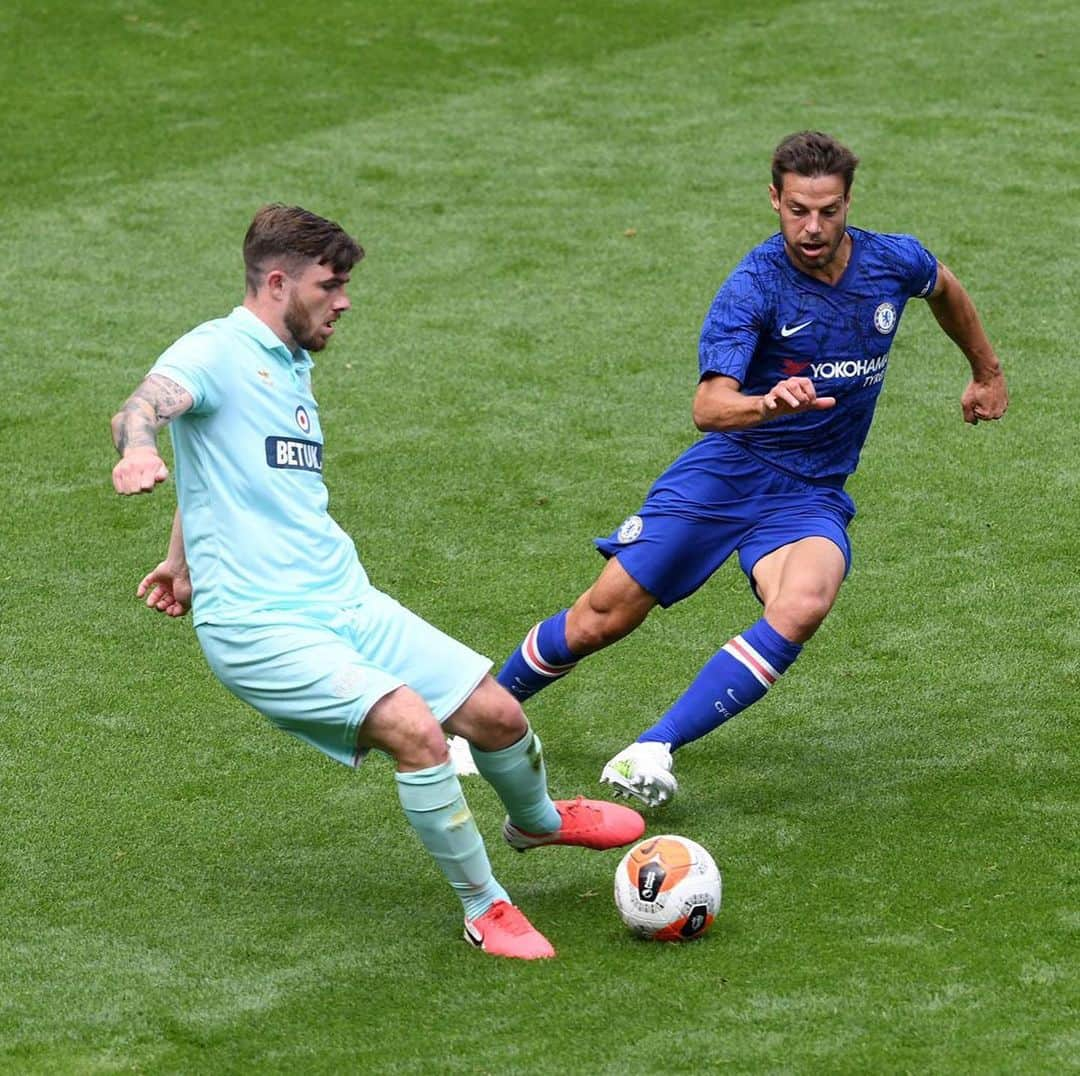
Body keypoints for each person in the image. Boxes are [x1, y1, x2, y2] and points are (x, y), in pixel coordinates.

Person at [110, 204, 644, 960]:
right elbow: (143, 406)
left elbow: (226, 471)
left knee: (495, 714)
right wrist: (136, 451)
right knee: (415, 731)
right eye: (330, 286)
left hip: (344, 599)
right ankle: (483, 906)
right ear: (276, 282)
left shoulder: (291, 366)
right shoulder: (216, 350)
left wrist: (182, 558)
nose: (344, 301)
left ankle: (538, 821)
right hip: (260, 626)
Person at [494, 131, 1008, 807]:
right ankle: (479, 716)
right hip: (728, 472)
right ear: (774, 200)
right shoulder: (755, 287)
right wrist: (767, 401)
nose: (813, 227)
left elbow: (943, 286)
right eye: (798, 210)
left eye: (828, 210)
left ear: (849, 201)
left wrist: (985, 370)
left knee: (805, 602)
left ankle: (652, 748)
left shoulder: (892, 261)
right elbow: (708, 407)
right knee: (603, 619)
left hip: (811, 493)